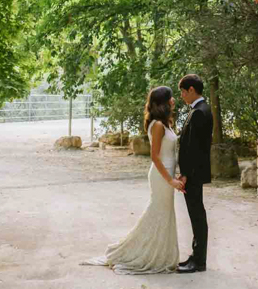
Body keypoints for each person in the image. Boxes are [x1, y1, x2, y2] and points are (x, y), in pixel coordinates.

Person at [82, 86, 184, 274]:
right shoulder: (159, 126)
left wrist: (175, 175)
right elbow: (155, 157)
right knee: (157, 212)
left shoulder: (165, 123)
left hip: (167, 173)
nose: (173, 100)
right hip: (161, 176)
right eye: (170, 97)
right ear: (163, 102)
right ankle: (141, 253)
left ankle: (162, 253)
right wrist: (170, 180)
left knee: (163, 213)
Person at [176, 73, 213, 273]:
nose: (182, 95)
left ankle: (199, 261)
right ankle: (197, 256)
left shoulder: (200, 112)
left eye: (183, 91)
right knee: (196, 215)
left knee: (197, 215)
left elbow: (194, 149)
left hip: (194, 174)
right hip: (194, 173)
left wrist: (185, 174)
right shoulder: (200, 109)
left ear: (191, 90)